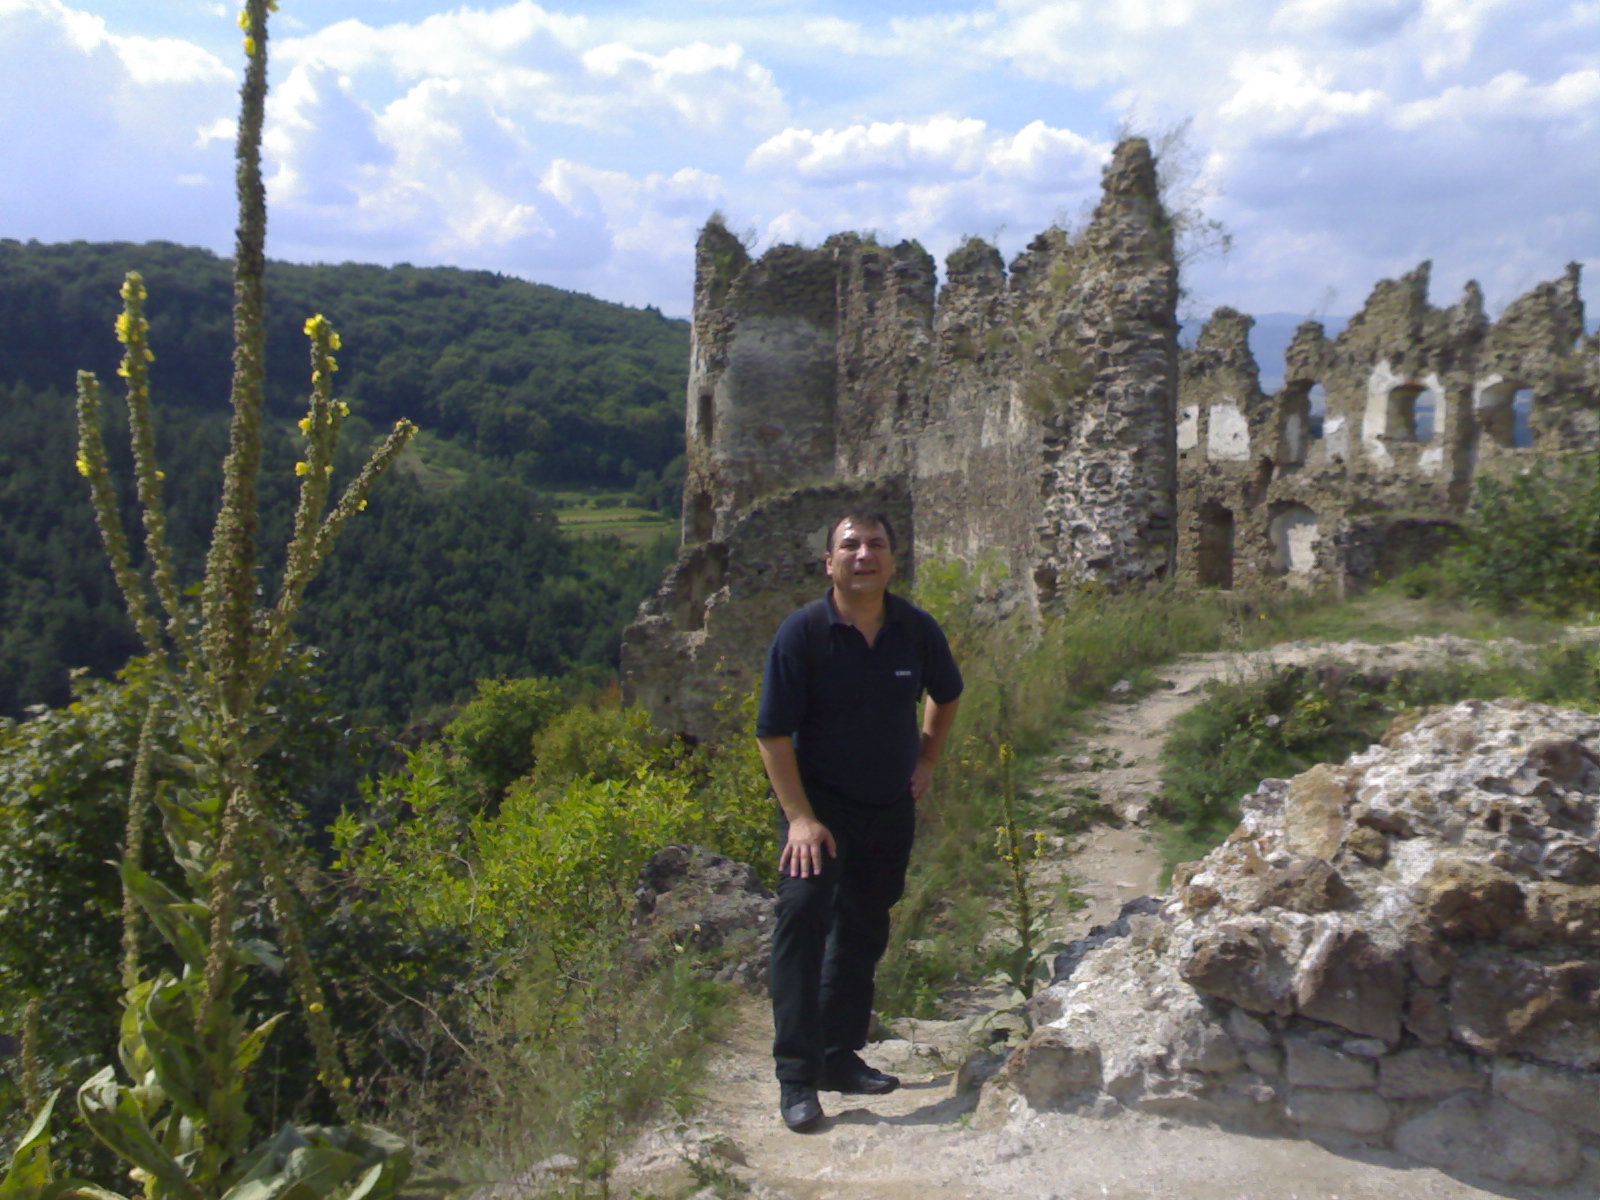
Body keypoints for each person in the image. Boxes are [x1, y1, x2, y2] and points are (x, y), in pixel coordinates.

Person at [755, 512, 963, 1132]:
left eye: (876, 545)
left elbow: (947, 692)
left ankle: (837, 1055)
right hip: (819, 810)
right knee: (802, 919)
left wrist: (927, 758)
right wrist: (799, 819)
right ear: (830, 563)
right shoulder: (804, 633)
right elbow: (772, 733)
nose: (864, 554)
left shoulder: (915, 630)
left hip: (888, 807)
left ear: (893, 561)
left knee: (864, 926)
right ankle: (797, 1076)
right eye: (850, 545)